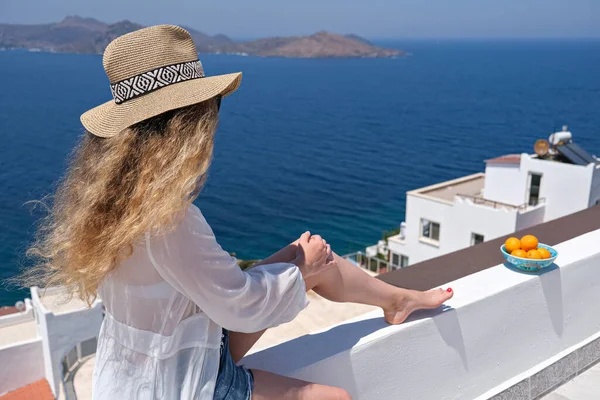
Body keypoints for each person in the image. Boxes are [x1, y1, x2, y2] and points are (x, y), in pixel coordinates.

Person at [25, 25, 453, 400]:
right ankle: (394, 297)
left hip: (148, 363)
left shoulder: (118, 205)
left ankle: (397, 300)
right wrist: (302, 270)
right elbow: (241, 310)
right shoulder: (170, 222)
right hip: (177, 383)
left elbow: (218, 294)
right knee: (335, 396)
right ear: (186, 127)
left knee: (302, 256)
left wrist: (300, 262)